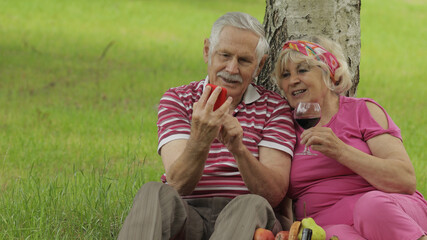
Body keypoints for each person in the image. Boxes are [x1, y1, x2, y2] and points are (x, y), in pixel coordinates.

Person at [118, 12, 296, 240]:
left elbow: (274, 194)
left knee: (252, 204)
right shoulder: (178, 99)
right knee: (154, 192)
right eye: (224, 55)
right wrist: (201, 139)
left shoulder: (275, 108)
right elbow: (178, 183)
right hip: (187, 214)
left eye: (244, 61)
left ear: (259, 65)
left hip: (245, 220)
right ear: (207, 51)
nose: (231, 69)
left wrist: (239, 150)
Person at [273, 36, 427, 239]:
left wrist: (341, 151)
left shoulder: (362, 111)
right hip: (329, 226)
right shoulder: (283, 127)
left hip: (388, 212)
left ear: (328, 72)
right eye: (285, 74)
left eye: (302, 70)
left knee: (370, 207)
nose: (292, 80)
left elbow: (404, 180)